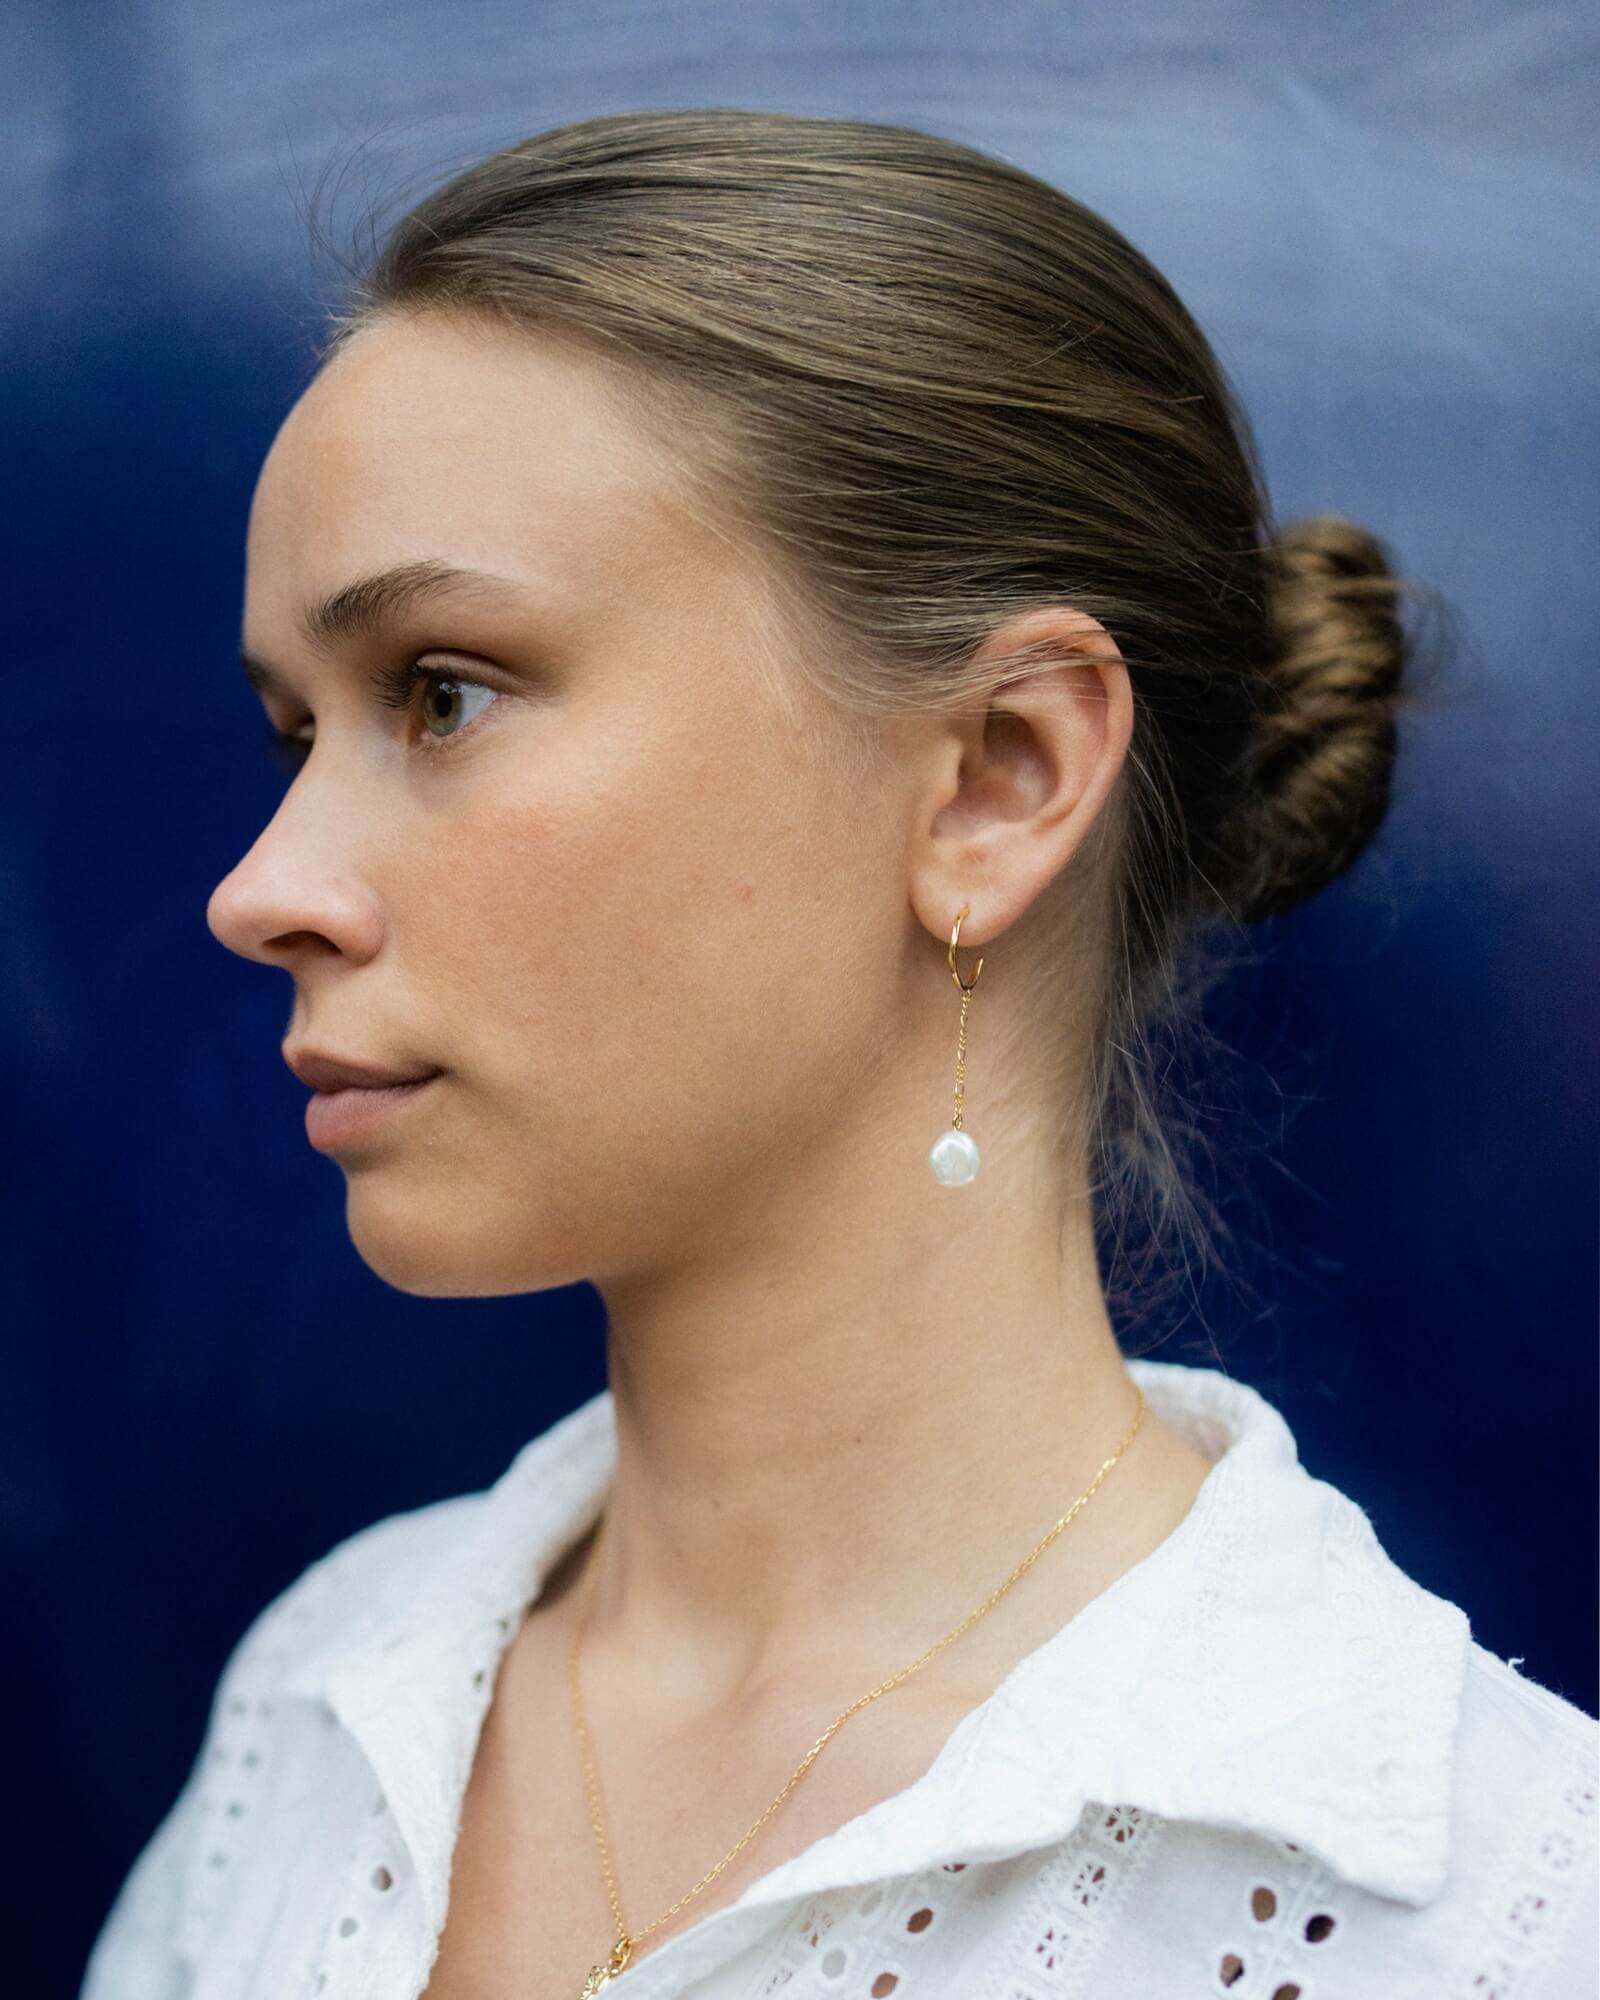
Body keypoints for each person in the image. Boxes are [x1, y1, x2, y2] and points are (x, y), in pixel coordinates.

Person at [81, 108, 1596, 1999]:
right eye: (296, 733)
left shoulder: (1471, 1918)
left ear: (996, 780)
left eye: (444, 695)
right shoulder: (321, 1715)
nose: (262, 889)